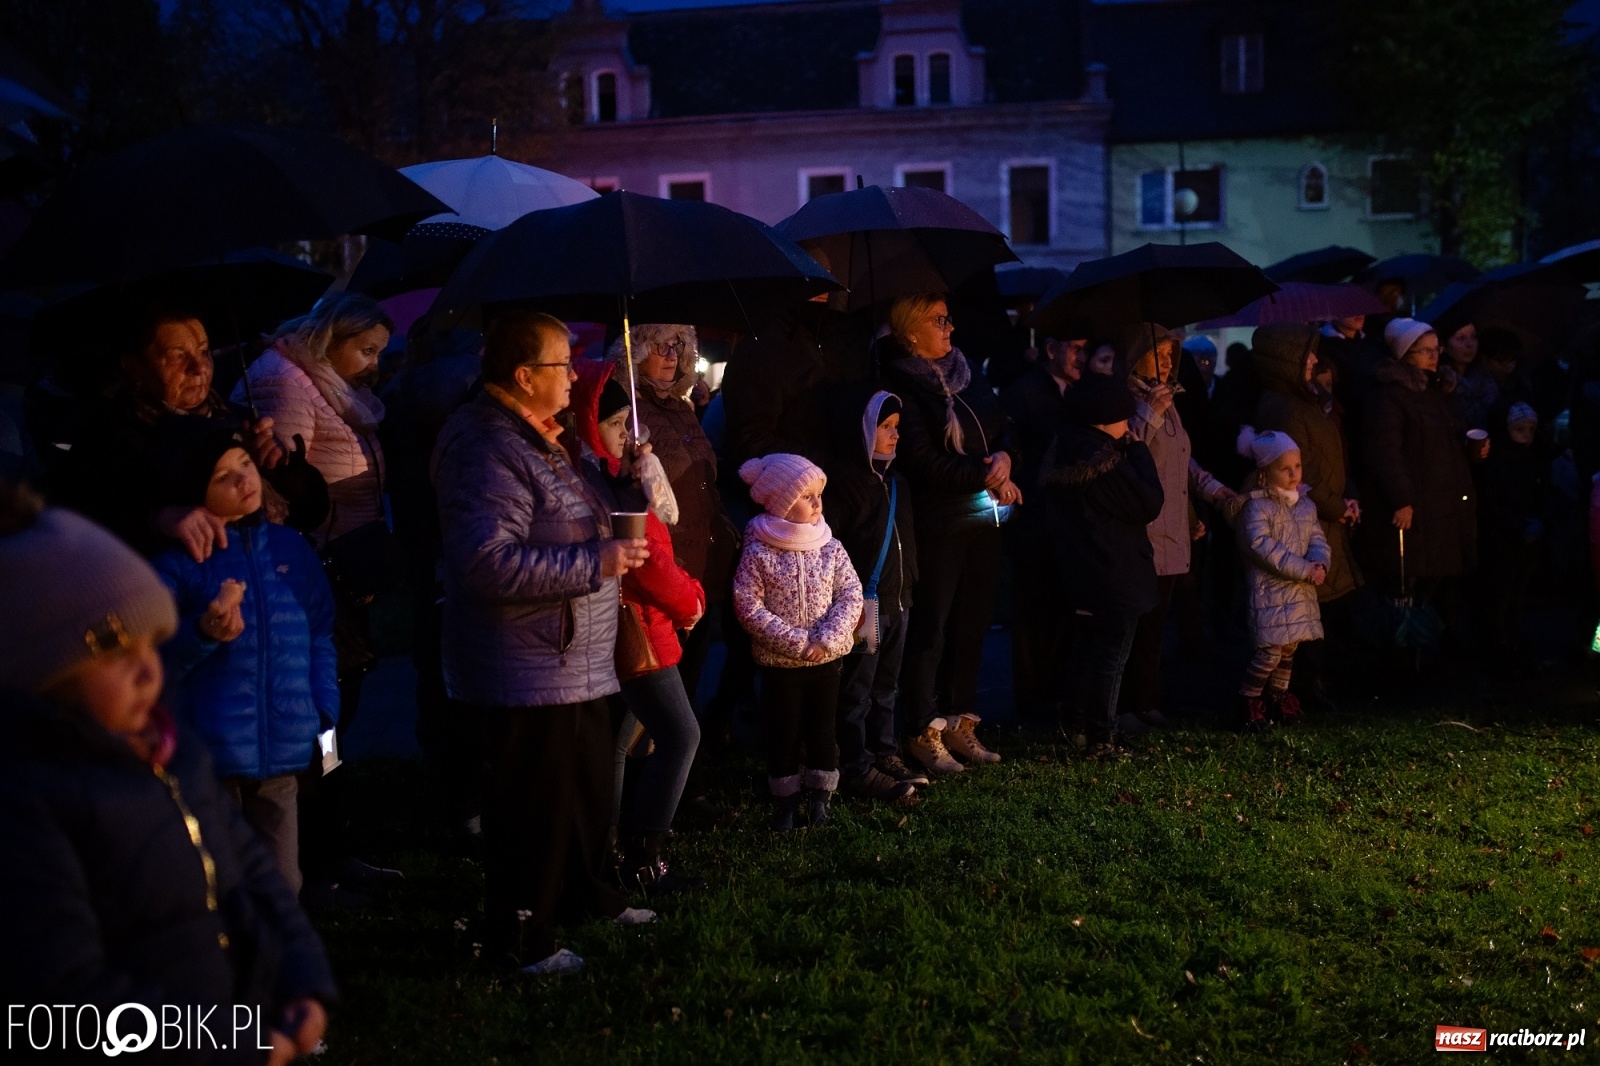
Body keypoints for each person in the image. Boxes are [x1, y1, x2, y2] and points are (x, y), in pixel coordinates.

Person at [0, 484, 334, 1064]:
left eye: (153, 643)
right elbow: (58, 1005)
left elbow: (253, 873)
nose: (148, 673)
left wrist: (301, 977)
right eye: (114, 651)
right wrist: (232, 1043)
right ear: (41, 671)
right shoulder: (29, 801)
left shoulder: (171, 752)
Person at [432, 310, 653, 976]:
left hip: (571, 657)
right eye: (563, 362)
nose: (574, 373)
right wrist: (596, 563)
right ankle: (522, 935)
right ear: (525, 375)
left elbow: (568, 516)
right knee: (533, 803)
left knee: (583, 787)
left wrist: (625, 476)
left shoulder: (538, 436)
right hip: (524, 663)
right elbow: (485, 563)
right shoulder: (487, 446)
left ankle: (586, 892)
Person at [150, 420, 339, 893]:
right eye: (223, 477)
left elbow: (319, 635)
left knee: (283, 881)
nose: (243, 480)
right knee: (220, 883)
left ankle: (274, 963)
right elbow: (153, 662)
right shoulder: (180, 565)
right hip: (210, 757)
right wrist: (203, 633)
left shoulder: (291, 549)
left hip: (284, 746)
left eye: (246, 464)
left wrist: (325, 712)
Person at [569, 359, 707, 894]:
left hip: (630, 624)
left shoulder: (607, 477)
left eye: (628, 422)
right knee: (680, 733)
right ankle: (644, 854)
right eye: (613, 425)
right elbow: (647, 563)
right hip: (639, 628)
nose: (626, 434)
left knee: (618, 741)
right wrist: (689, 600)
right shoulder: (597, 484)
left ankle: (611, 853)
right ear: (587, 427)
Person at [52, 306, 326, 559]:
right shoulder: (108, 441)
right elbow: (86, 526)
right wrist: (158, 521)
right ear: (135, 367)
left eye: (204, 351)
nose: (199, 368)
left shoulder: (239, 422)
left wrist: (282, 467)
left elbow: (312, 513)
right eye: (178, 356)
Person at [878, 293, 1017, 775]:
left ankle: (961, 721)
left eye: (949, 318)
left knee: (972, 622)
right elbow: (922, 461)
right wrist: (988, 475)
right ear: (910, 332)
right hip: (938, 521)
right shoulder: (902, 384)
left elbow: (1001, 427)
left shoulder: (966, 373)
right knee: (932, 626)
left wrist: (1005, 458)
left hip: (984, 519)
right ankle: (921, 727)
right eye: (939, 321)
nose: (950, 328)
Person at [732, 453, 863, 832]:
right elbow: (748, 606)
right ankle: (785, 801)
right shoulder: (760, 550)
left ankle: (820, 799)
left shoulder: (829, 545)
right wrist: (796, 642)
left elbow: (850, 594)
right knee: (782, 732)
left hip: (826, 661)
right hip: (780, 665)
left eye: (818, 494)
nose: (817, 503)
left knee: (823, 730)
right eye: (806, 496)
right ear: (781, 502)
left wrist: (827, 639)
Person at [1039, 374, 1164, 757]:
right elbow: (1148, 502)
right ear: (1108, 418)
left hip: (1087, 572)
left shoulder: (1066, 449)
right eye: (1124, 418)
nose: (1128, 426)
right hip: (1114, 573)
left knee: (1088, 651)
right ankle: (1102, 736)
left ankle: (1077, 729)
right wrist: (1139, 451)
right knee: (1111, 657)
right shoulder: (1103, 461)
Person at [1120, 323, 1237, 727]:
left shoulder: (1169, 400)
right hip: (1145, 531)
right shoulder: (1130, 398)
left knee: (1156, 624)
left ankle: (1148, 700)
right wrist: (1148, 411)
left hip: (1172, 529)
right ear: (1139, 355)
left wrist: (1214, 491)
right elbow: (1127, 450)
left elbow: (1181, 461)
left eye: (1174, 353)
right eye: (1161, 352)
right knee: (1137, 624)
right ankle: (1128, 706)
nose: (1171, 361)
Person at [1250, 323, 1362, 707]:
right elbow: (1299, 471)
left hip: (1323, 517)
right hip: (1305, 521)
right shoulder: (1285, 407)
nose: (1315, 359)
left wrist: (1346, 497)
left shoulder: (1305, 400)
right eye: (1307, 353)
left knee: (1321, 608)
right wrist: (1336, 504)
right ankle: (1295, 692)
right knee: (1303, 613)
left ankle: (1311, 687)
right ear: (1286, 359)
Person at [824, 387, 921, 803]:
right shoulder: (846, 484)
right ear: (863, 430)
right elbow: (835, 547)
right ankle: (857, 763)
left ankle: (885, 752)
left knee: (887, 684)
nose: (894, 435)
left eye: (897, 427)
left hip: (899, 600)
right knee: (859, 687)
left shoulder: (897, 481)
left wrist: (912, 579)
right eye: (885, 427)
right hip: (866, 604)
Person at [237, 294, 394, 546]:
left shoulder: (342, 389)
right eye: (367, 351)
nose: (375, 365)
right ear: (330, 339)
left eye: (379, 353)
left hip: (352, 549)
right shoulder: (283, 381)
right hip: (318, 553)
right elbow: (283, 492)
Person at [1363, 318, 1483, 633]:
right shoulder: (1391, 395)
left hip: (1440, 505)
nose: (1433, 357)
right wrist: (1401, 499)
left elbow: (1446, 442)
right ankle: (1405, 658)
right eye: (1423, 351)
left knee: (1433, 585)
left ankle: (1426, 652)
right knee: (1408, 588)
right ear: (1404, 355)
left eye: (1435, 350)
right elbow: (1386, 452)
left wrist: (1473, 450)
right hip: (1418, 507)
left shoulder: (1437, 391)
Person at [1000, 334, 1083, 720]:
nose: (1079, 355)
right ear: (1052, 349)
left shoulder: (1079, 392)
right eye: (1074, 346)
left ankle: (1057, 688)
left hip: (1067, 514)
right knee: (1035, 606)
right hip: (1035, 513)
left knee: (1062, 604)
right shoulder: (1027, 392)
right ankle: (1033, 695)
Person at [1233, 431, 1329, 730]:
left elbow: (1316, 538)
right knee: (1270, 650)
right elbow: (1264, 548)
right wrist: (1303, 568)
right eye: (1285, 468)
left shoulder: (1305, 505)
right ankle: (1249, 699)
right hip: (1271, 592)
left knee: (1289, 648)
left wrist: (1319, 562)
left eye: (1297, 466)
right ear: (1266, 471)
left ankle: (1278, 696)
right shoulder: (1257, 507)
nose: (1293, 474)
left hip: (1299, 591)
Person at [1479, 402, 1547, 663]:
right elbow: (1493, 501)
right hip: (1502, 539)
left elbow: (1540, 495)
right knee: (1500, 595)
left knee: (1518, 594)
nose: (1526, 435)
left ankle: (1514, 642)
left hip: (1526, 538)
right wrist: (1516, 525)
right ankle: (1498, 646)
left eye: (1531, 429)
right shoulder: (1497, 461)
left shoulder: (1534, 458)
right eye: (1520, 429)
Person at [1441, 321, 1500, 431]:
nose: (1470, 344)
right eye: (1461, 338)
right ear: (1444, 345)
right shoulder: (1442, 381)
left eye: (1473, 337)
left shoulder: (1485, 376)